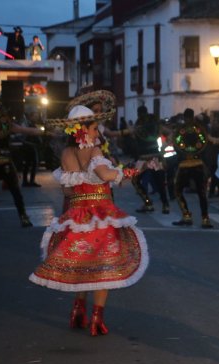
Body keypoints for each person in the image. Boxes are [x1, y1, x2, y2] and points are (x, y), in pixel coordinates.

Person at [29, 105, 148, 337]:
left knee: (83, 266)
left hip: (76, 215)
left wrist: (84, 190)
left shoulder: (65, 154)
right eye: (93, 128)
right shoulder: (94, 151)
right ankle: (96, 318)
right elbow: (106, 176)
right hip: (100, 215)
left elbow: (66, 191)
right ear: (82, 129)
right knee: (103, 267)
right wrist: (133, 171)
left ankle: (77, 311)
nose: (96, 133)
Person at [0, 104, 44, 227]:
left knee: (14, 191)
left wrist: (43, 131)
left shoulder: (4, 125)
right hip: (3, 162)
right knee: (15, 191)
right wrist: (44, 131)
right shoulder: (7, 126)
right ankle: (23, 216)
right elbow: (27, 131)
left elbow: (27, 130)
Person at [170, 108, 214, 227]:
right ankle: (205, 219)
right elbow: (208, 143)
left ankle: (186, 216)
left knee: (177, 190)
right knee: (202, 192)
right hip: (198, 164)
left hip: (184, 165)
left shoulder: (179, 130)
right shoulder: (200, 129)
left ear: (185, 117)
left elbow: (175, 145)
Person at [131, 105, 170, 214]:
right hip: (154, 157)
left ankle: (148, 203)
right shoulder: (155, 124)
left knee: (135, 180)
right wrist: (163, 147)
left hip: (144, 158)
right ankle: (165, 205)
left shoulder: (138, 126)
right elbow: (168, 132)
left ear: (139, 114)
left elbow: (134, 138)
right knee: (160, 182)